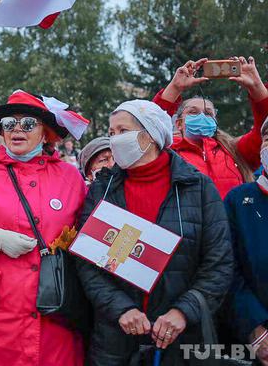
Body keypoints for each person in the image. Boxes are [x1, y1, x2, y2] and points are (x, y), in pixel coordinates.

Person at [75, 99, 233, 365]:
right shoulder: (102, 189)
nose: (114, 140)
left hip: (183, 340)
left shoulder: (198, 187)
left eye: (122, 131)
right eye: (111, 133)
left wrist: (183, 312)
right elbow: (86, 262)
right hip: (116, 340)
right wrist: (121, 308)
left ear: (149, 136)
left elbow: (219, 263)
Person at [0, 90, 90, 366]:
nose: (17, 129)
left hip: (54, 315)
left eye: (28, 123)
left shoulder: (70, 178)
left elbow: (91, 234)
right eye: (9, 123)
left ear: (45, 133)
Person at [153, 56, 268, 198]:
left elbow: (264, 130)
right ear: (179, 123)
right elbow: (148, 129)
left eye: (208, 113)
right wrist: (174, 88)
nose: (202, 116)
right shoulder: (165, 152)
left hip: (228, 220)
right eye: (193, 112)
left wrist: (257, 88)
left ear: (215, 121)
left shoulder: (234, 151)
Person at [224, 117, 268, 365]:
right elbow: (227, 269)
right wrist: (256, 331)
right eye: (267, 138)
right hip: (255, 339)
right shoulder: (238, 200)